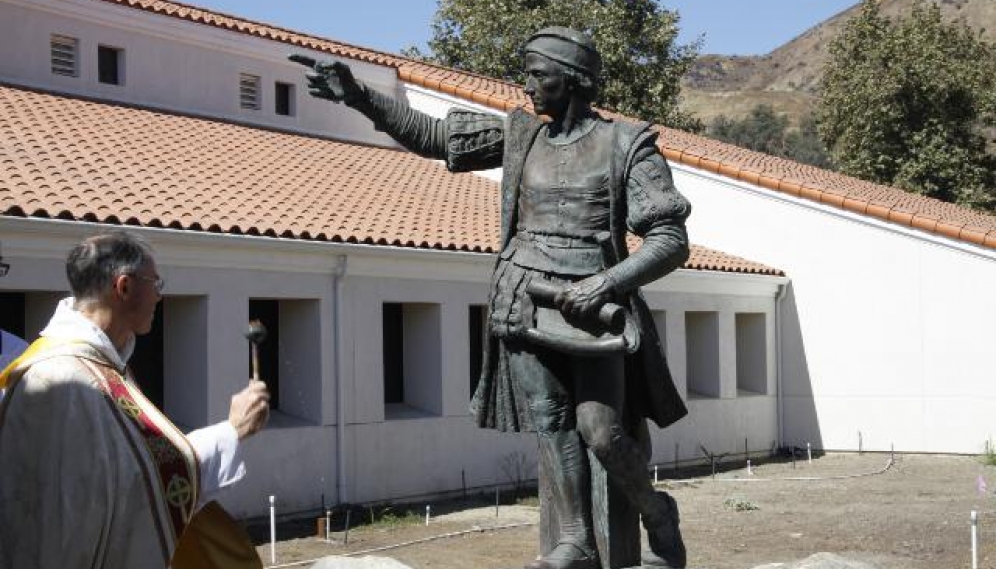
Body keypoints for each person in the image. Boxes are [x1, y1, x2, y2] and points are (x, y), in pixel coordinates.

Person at [294, 26, 690, 569]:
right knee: (550, 423)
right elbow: (436, 137)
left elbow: (670, 240)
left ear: (572, 79)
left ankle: (656, 510)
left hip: (596, 309)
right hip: (524, 298)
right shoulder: (522, 136)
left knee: (601, 432)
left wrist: (606, 282)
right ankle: (574, 538)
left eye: (538, 74)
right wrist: (360, 95)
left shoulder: (627, 145)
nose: (527, 85)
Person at [0, 231, 271, 569]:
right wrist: (232, 431)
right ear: (124, 287)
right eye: (154, 282)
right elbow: (139, 486)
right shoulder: (62, 378)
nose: (159, 295)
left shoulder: (100, 366)